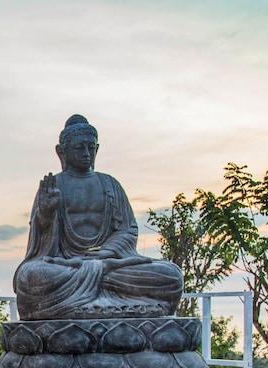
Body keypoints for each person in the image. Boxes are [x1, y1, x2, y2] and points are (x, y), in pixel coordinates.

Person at [13, 114, 183, 321]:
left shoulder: (110, 184)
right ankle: (116, 304)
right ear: (61, 152)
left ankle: (84, 304)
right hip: (67, 266)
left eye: (91, 148)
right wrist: (46, 213)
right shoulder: (53, 186)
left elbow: (128, 229)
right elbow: (39, 245)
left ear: (97, 149)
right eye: (79, 148)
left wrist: (107, 252)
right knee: (30, 277)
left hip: (110, 264)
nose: (86, 154)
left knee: (171, 275)